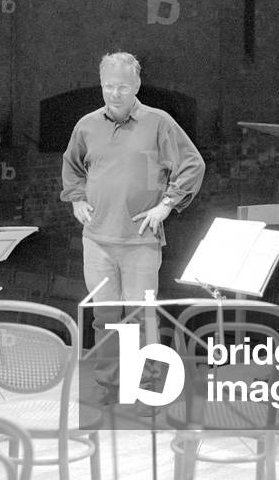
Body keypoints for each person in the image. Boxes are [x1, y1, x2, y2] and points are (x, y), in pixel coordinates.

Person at [60, 51, 205, 404]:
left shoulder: (159, 123)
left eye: (123, 86)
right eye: (109, 86)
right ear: (101, 85)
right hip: (97, 240)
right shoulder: (86, 125)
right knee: (105, 320)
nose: (115, 93)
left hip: (140, 241)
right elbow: (72, 166)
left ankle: (148, 393)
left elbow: (192, 165)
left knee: (143, 322)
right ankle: (111, 389)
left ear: (137, 85)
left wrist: (166, 205)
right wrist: (77, 199)